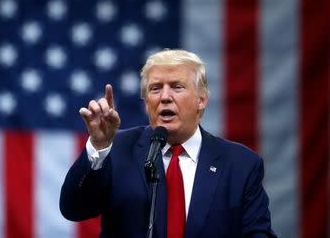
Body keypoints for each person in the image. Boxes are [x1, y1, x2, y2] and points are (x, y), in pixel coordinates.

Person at [60, 49, 277, 238]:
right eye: (155, 88)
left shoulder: (240, 164)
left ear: (201, 100)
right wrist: (98, 146)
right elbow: (74, 209)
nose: (164, 96)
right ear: (146, 103)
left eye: (176, 87)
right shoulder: (116, 149)